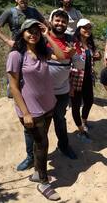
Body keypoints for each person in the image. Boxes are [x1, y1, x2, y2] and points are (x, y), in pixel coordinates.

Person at [7, 19, 65, 200]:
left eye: (36, 31)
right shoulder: (16, 55)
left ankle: (36, 172)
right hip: (31, 110)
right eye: (29, 31)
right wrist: (25, 113)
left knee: (39, 142)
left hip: (48, 105)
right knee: (42, 144)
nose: (33, 34)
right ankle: (43, 182)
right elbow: (14, 87)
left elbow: (61, 56)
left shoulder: (41, 51)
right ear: (22, 33)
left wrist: (47, 34)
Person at [0, 0, 46, 171]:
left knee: (33, 91)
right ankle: (30, 155)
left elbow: (45, 24)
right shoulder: (10, 11)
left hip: (34, 54)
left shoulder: (33, 11)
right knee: (17, 90)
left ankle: (34, 151)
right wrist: (8, 41)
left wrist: (46, 36)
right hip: (18, 54)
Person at [47, 9, 77, 159]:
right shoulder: (42, 38)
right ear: (51, 21)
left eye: (63, 21)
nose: (60, 23)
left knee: (60, 119)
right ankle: (32, 155)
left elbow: (77, 62)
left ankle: (64, 146)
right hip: (42, 91)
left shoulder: (70, 40)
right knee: (40, 125)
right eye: (57, 20)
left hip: (62, 90)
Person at [70, 18, 101, 142]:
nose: (88, 30)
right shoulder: (73, 44)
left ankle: (84, 122)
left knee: (89, 101)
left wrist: (97, 57)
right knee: (76, 106)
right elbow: (68, 63)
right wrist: (69, 85)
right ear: (79, 29)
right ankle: (81, 131)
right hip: (76, 80)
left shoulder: (89, 44)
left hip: (88, 79)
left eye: (89, 28)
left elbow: (89, 59)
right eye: (85, 28)